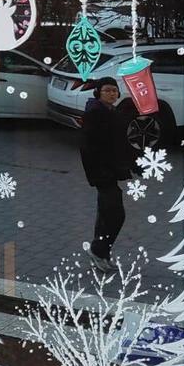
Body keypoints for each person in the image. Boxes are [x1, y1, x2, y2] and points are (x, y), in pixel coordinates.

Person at [80, 76, 132, 272]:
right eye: (107, 90)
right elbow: (87, 147)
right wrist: (98, 173)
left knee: (105, 214)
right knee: (116, 214)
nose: (111, 94)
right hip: (102, 173)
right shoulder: (95, 113)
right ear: (98, 93)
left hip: (110, 171)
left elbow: (118, 142)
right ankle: (97, 251)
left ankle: (102, 253)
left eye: (114, 90)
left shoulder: (111, 111)